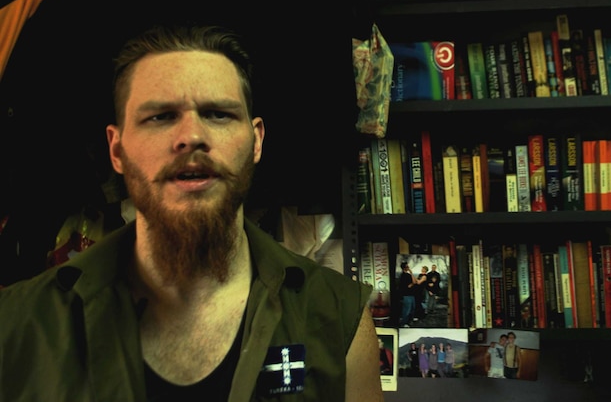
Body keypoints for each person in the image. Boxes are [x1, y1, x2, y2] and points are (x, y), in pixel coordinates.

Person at [0, 24, 384, 402]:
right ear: (116, 150)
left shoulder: (339, 321)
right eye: (160, 116)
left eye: (218, 114)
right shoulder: (18, 324)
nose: (192, 136)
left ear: (256, 141)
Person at [398, 261, 417, 327]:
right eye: (407, 266)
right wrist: (412, 284)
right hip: (406, 295)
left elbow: (415, 281)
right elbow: (409, 285)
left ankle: (410, 321)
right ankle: (404, 323)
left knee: (412, 308)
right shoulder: (403, 276)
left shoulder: (408, 275)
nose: (408, 267)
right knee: (407, 310)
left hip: (411, 294)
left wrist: (411, 273)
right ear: (404, 268)